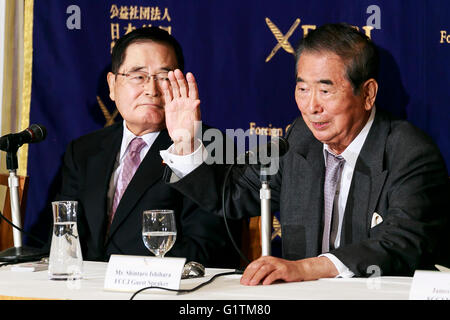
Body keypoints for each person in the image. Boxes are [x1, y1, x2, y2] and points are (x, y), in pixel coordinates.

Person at [160, 23, 450, 285]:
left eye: (326, 91)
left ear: (368, 93)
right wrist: (185, 143)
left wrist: (306, 269)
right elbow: (232, 194)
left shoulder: (409, 152)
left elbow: (401, 242)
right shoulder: (300, 138)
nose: (311, 107)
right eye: (302, 88)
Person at [56, 27, 241, 267]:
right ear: (112, 85)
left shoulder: (210, 147)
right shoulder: (83, 151)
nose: (152, 90)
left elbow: (205, 250)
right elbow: (63, 237)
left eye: (164, 78)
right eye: (138, 76)